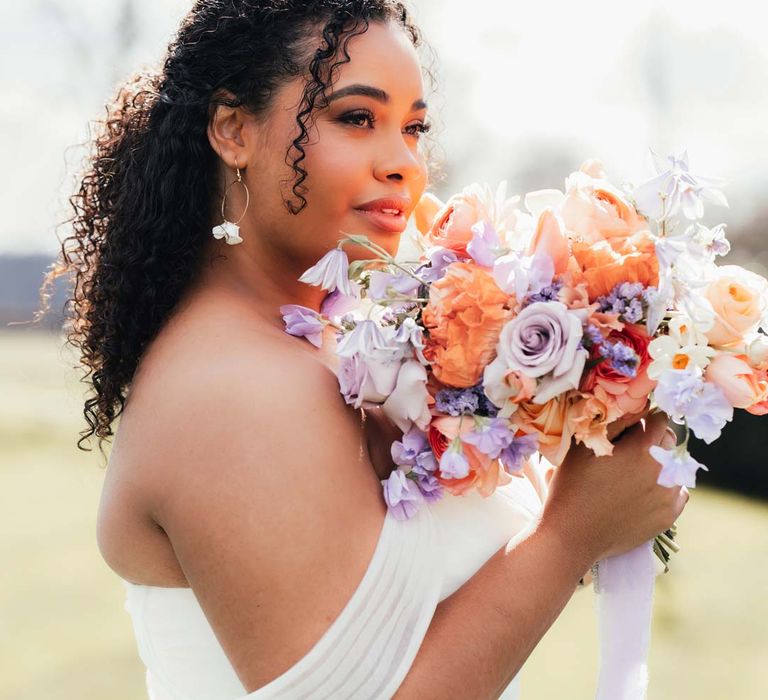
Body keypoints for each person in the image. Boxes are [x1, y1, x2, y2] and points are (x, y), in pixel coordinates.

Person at [41, 1, 689, 698]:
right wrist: (569, 537)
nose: (403, 163)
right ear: (232, 130)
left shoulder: (330, 346)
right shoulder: (228, 388)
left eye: (413, 128)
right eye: (356, 118)